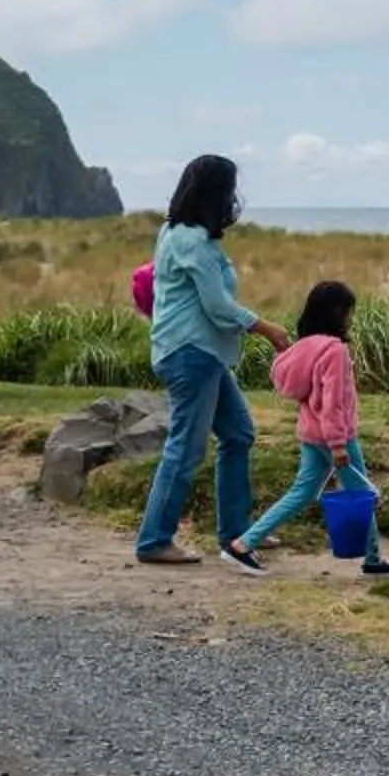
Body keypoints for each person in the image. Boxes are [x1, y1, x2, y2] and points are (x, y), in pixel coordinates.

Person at [134, 155, 289, 565]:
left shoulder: (177, 232)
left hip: (202, 355)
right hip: (191, 355)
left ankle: (238, 532)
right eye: (230, 189)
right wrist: (267, 328)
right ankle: (154, 541)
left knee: (238, 434)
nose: (234, 198)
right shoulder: (192, 242)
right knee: (185, 449)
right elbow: (218, 306)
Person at [224, 280, 389, 579]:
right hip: (336, 437)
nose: (351, 319)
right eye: (349, 312)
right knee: (362, 494)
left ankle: (243, 544)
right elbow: (333, 401)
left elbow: (302, 391)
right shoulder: (334, 351)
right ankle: (373, 559)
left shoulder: (302, 348)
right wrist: (338, 444)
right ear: (337, 313)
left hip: (312, 434)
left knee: (303, 492)